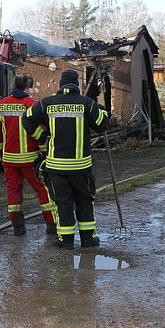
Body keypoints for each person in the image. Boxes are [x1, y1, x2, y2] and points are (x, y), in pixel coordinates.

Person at [22, 70, 109, 249]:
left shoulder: (46, 103)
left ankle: (66, 240)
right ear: (77, 85)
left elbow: (26, 119)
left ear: (60, 84)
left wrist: (42, 135)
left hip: (56, 167)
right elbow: (102, 125)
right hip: (81, 167)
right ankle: (88, 239)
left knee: (63, 202)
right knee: (85, 200)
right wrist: (102, 110)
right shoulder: (87, 103)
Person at [0, 73, 56, 236]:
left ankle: (18, 228)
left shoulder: (2, 104)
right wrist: (44, 153)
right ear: (28, 86)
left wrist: (0, 153)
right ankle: (51, 225)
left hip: (9, 159)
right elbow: (40, 133)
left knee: (13, 193)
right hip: (30, 159)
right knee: (43, 191)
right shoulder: (32, 104)